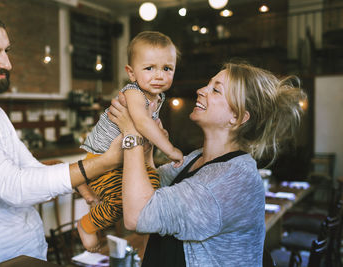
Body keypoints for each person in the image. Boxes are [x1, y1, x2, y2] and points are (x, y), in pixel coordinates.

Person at [0, 7, 121, 267]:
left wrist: (75, 178)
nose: (7, 63)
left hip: (31, 255)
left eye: (6, 51)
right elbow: (13, 187)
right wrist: (103, 162)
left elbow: (30, 172)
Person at [108, 62, 307, 266]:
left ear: (236, 117)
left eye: (216, 90)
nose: (201, 90)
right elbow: (147, 193)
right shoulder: (197, 159)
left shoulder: (228, 181)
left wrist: (131, 133)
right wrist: (147, 146)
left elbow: (138, 215)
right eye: (208, 85)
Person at [75, 31, 184, 251]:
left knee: (150, 186)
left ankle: (84, 186)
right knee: (120, 202)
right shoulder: (134, 93)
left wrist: (157, 138)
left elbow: (148, 128)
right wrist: (170, 149)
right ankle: (86, 226)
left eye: (167, 68)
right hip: (101, 157)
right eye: (149, 68)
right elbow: (142, 123)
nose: (159, 75)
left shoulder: (157, 97)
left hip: (123, 159)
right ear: (131, 73)